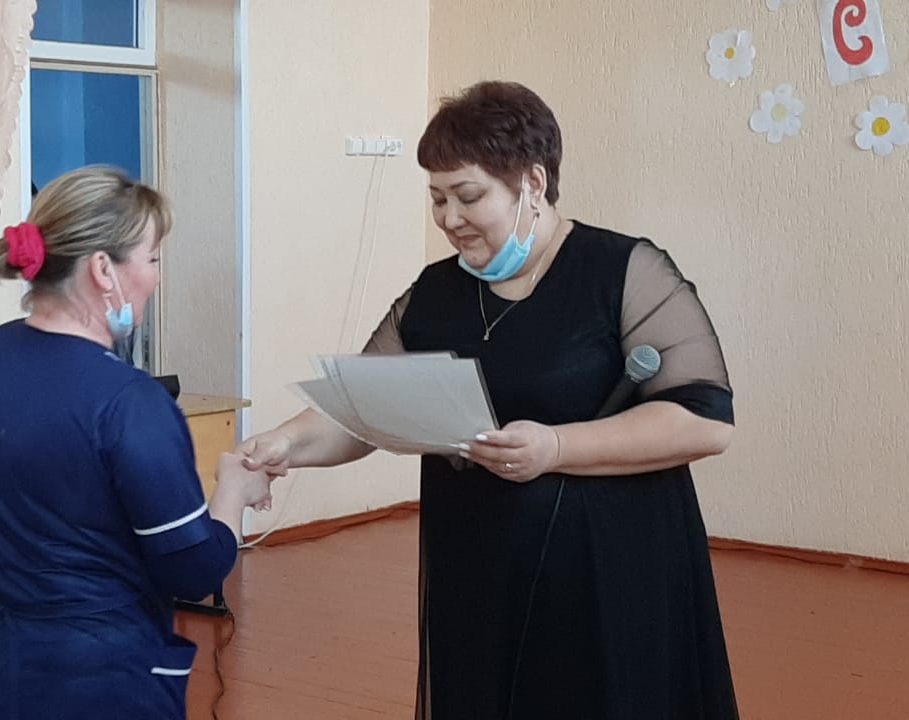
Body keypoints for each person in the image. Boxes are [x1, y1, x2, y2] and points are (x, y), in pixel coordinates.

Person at [239, 81, 739, 719]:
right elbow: (360, 409)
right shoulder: (434, 293)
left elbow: (704, 420)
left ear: (532, 182)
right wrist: (283, 443)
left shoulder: (624, 272)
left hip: (609, 570)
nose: (450, 218)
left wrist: (554, 447)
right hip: (476, 565)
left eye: (468, 196)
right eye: (437, 199)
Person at [0, 166, 272, 719]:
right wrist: (233, 492)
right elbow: (193, 571)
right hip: (95, 679)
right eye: (152, 259)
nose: (157, 278)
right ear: (103, 269)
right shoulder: (130, 402)